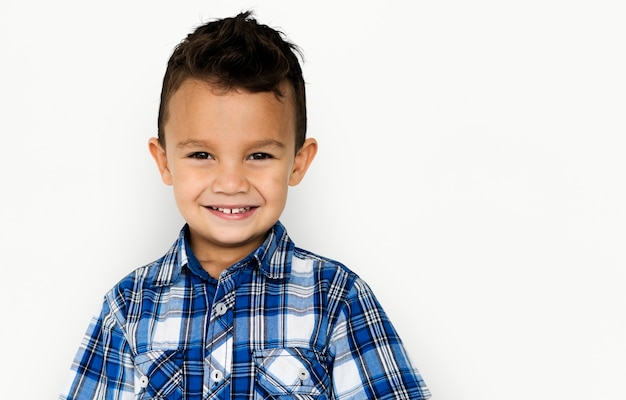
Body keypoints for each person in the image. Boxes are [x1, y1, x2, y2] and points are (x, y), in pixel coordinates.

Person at [60, 11, 431, 400]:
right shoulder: (127, 308)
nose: (232, 183)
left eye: (259, 156)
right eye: (202, 154)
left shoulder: (336, 299)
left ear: (298, 163)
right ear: (164, 160)